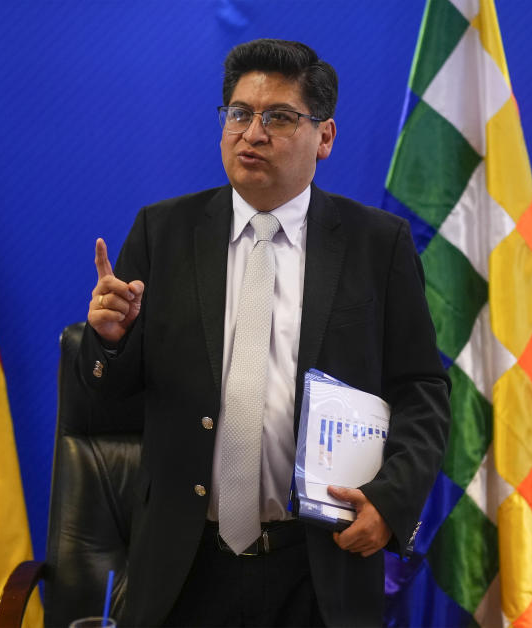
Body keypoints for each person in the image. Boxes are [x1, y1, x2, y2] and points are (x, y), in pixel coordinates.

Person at [79, 39, 450, 627]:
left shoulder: (376, 244)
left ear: (324, 137)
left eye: (278, 117)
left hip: (315, 565)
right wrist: (111, 342)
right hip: (184, 565)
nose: (252, 133)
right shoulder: (163, 232)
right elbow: (109, 399)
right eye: (238, 113)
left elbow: (422, 390)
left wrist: (392, 499)